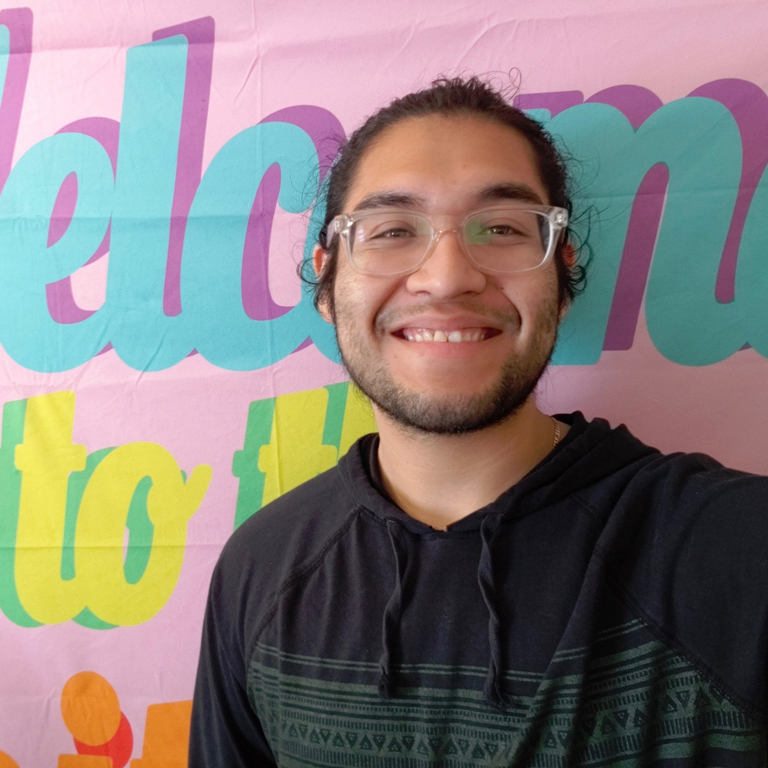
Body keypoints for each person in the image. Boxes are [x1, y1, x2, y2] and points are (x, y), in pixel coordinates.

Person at [189, 77, 767, 766]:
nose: (447, 277)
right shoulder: (261, 567)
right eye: (393, 231)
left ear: (563, 271)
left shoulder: (739, 547)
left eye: (501, 229)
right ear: (326, 277)